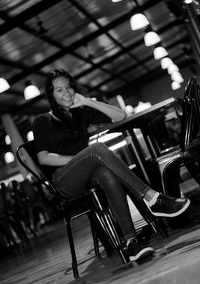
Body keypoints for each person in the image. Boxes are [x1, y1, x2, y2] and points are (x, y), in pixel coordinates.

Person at [32, 68, 190, 262]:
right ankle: (152, 198)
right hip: (64, 179)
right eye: (58, 90)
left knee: (107, 174)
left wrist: (88, 102)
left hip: (89, 173)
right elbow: (44, 158)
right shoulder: (42, 121)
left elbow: (120, 116)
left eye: (68, 87)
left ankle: (131, 243)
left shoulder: (80, 113)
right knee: (97, 148)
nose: (66, 93)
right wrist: (79, 159)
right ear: (51, 94)